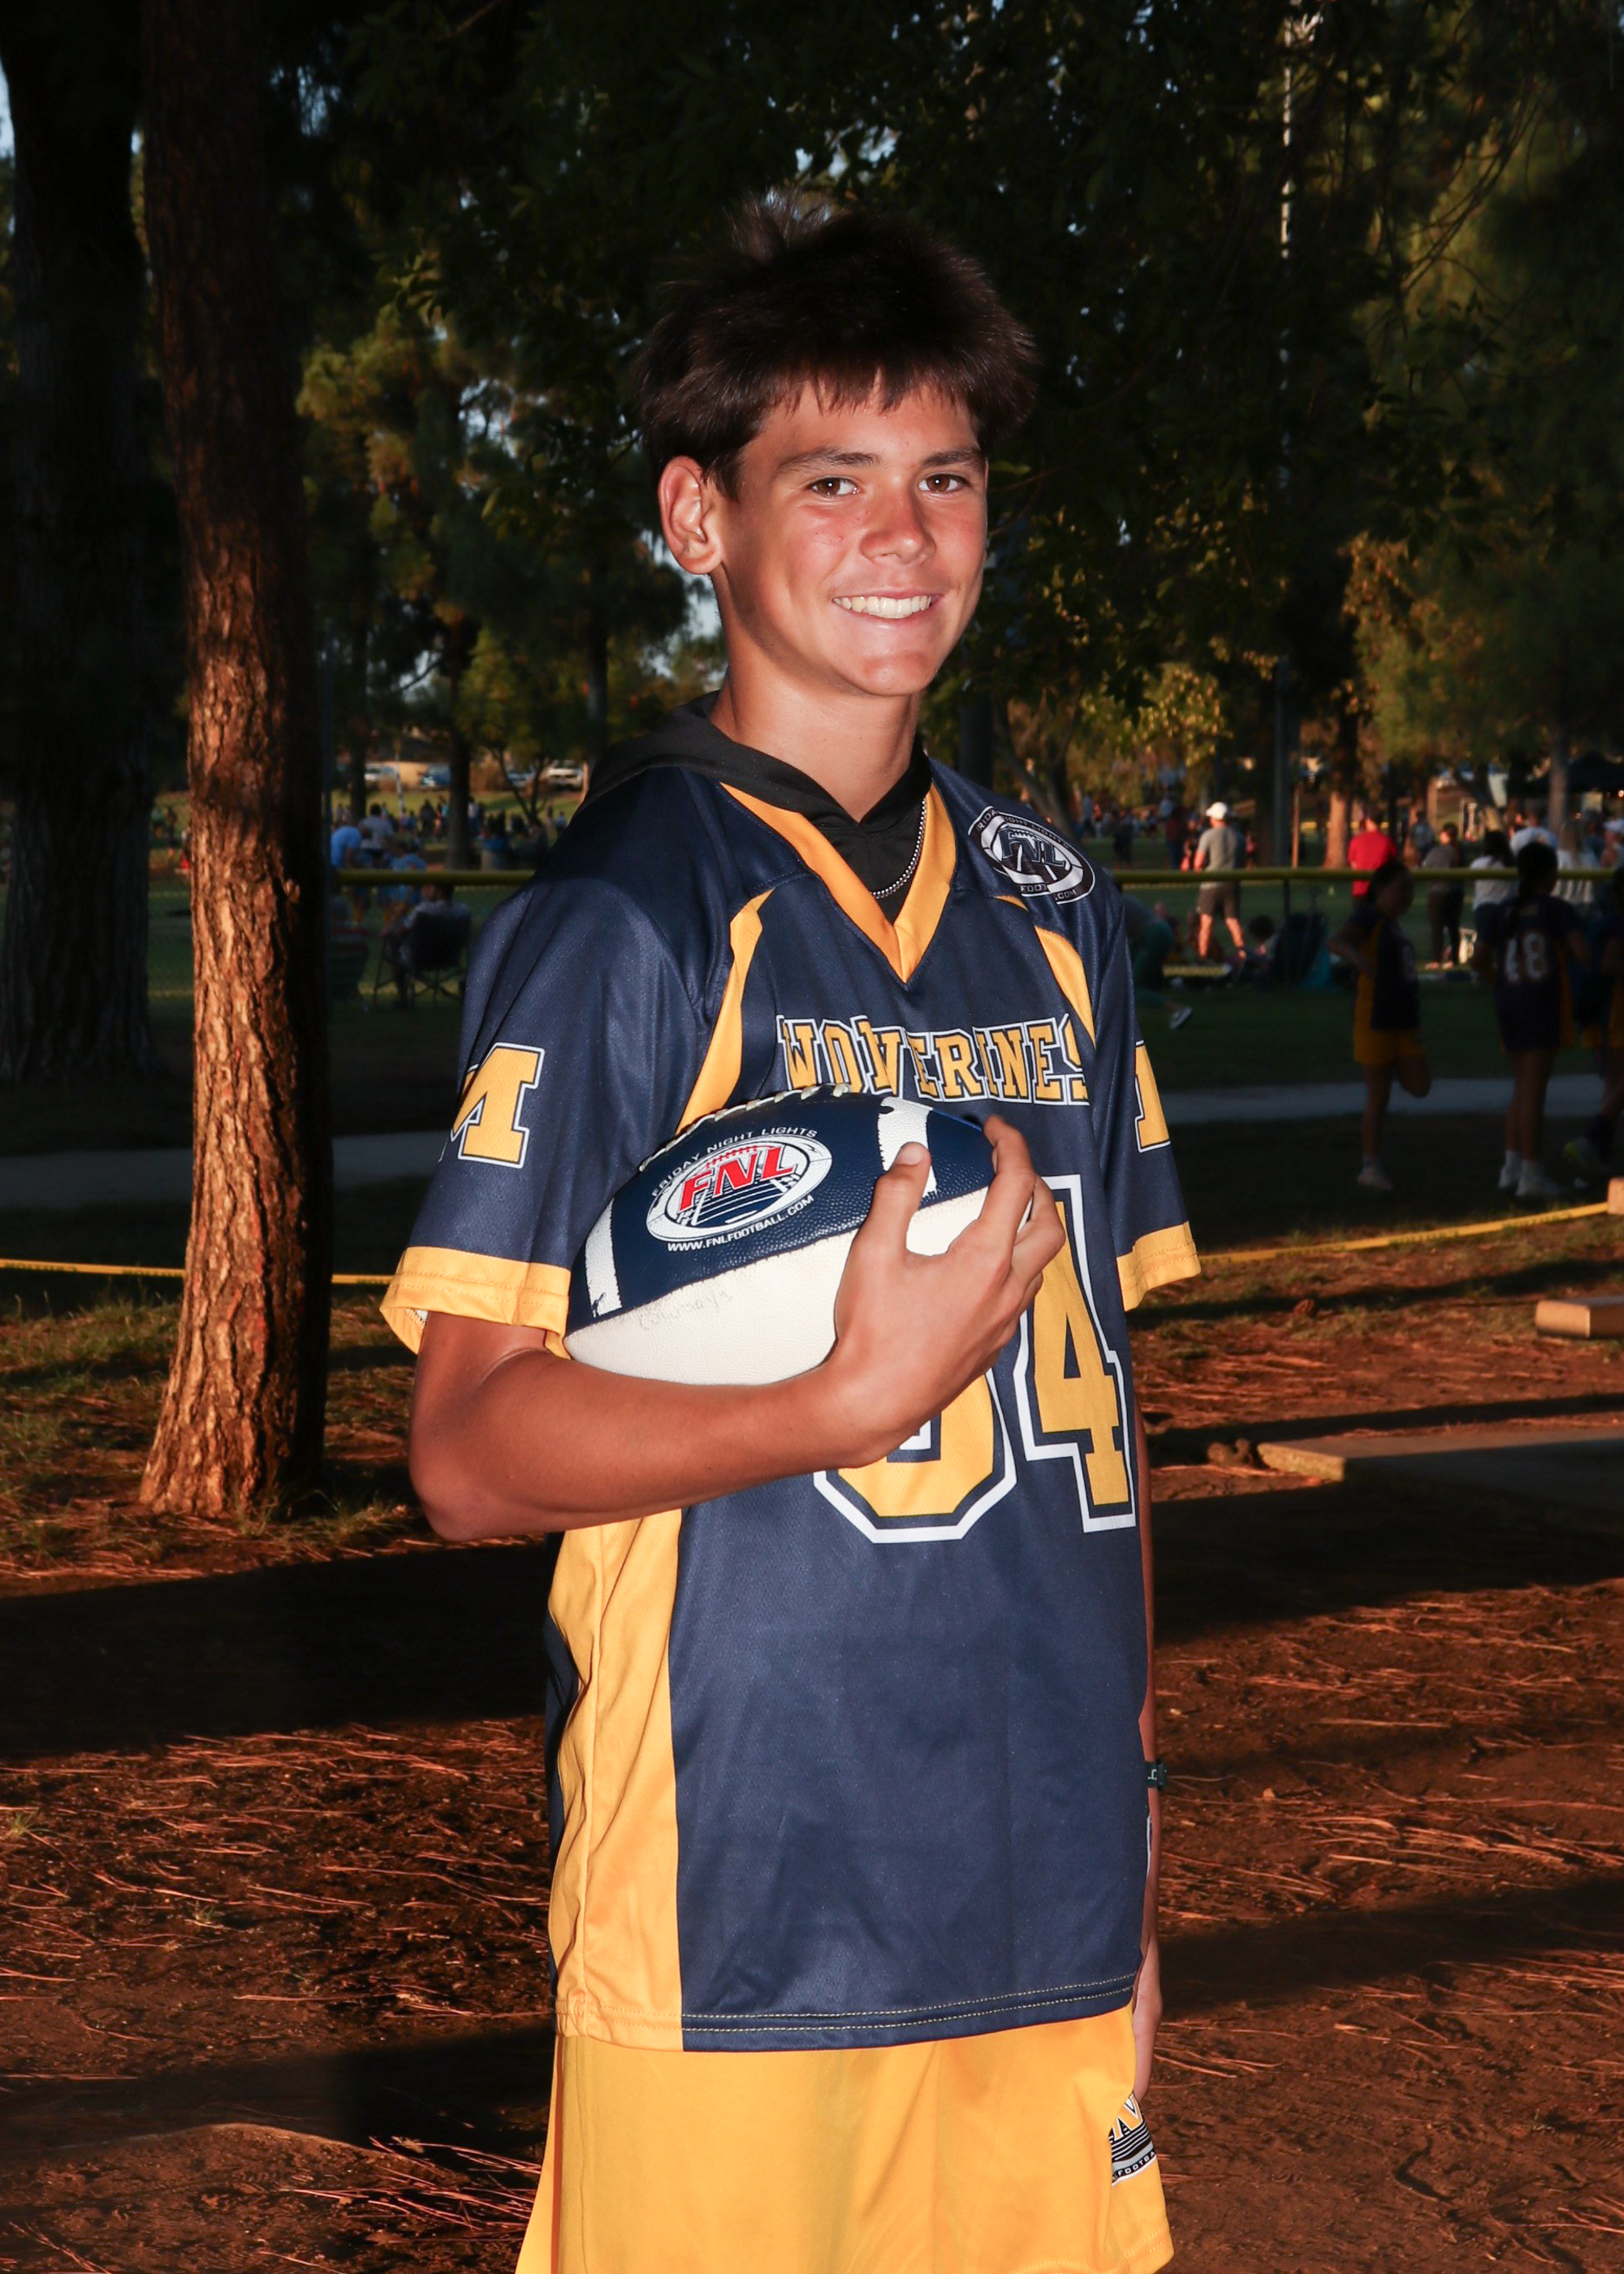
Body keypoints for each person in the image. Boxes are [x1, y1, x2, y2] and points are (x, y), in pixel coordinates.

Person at [385, 199, 1196, 2274]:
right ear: (699, 517)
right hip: (740, 1907)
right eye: (831, 482)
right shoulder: (628, 916)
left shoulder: (1056, 908)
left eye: (946, 479)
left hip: (1036, 1895)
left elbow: (1106, 1431)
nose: (904, 539)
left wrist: (1133, 1847)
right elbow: (465, 1451)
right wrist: (838, 1399)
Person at [1473, 838, 1591, 1201]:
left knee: (1522, 1088)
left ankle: (1511, 1168)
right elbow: (1583, 953)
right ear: (1551, 874)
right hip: (1541, 1003)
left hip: (1510, 1002)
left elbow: (1478, 959)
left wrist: (1499, 980)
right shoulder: (1556, 909)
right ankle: (1531, 1173)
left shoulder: (1504, 909)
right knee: (1534, 1094)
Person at [1328, 858, 1432, 1192]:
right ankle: (1370, 1166)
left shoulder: (1392, 924)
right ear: (1381, 889)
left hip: (1404, 1019)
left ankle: (1391, 1066)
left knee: (1420, 1085)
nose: (1408, 895)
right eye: (1401, 888)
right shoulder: (1370, 917)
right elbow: (1337, 941)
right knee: (1378, 1097)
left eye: (1411, 889)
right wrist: (1357, 957)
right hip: (1375, 1019)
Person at [1567, 866, 1624, 1180]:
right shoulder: (1618, 924)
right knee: (1616, 1082)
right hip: (1614, 1010)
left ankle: (1596, 1156)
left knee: (1613, 1083)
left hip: (1604, 1012)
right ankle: (1593, 1138)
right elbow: (1608, 964)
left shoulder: (1607, 921)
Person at [1121, 893, 1193, 1029]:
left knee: (1134, 989)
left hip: (1153, 936)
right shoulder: (1120, 899)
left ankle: (1179, 1010)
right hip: (1152, 934)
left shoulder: (1110, 904)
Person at [1191, 798, 1245, 959]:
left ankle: (1202, 958)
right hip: (1232, 883)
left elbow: (1198, 863)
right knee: (1233, 921)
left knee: (1206, 923)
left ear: (1214, 818)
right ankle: (1243, 954)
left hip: (1211, 885)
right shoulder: (1239, 837)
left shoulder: (1208, 836)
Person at [1422, 822, 1465, 966]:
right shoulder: (1459, 851)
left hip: (1437, 893)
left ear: (1446, 835)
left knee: (1437, 928)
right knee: (1453, 927)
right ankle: (1454, 960)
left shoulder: (1438, 850)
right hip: (1456, 893)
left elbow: (1426, 866)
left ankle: (1436, 960)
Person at [1347, 805, 1398, 898]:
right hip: (1380, 891)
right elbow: (1392, 865)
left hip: (1360, 891)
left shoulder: (1356, 841)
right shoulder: (1387, 842)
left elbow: (1354, 866)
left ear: (1368, 820)